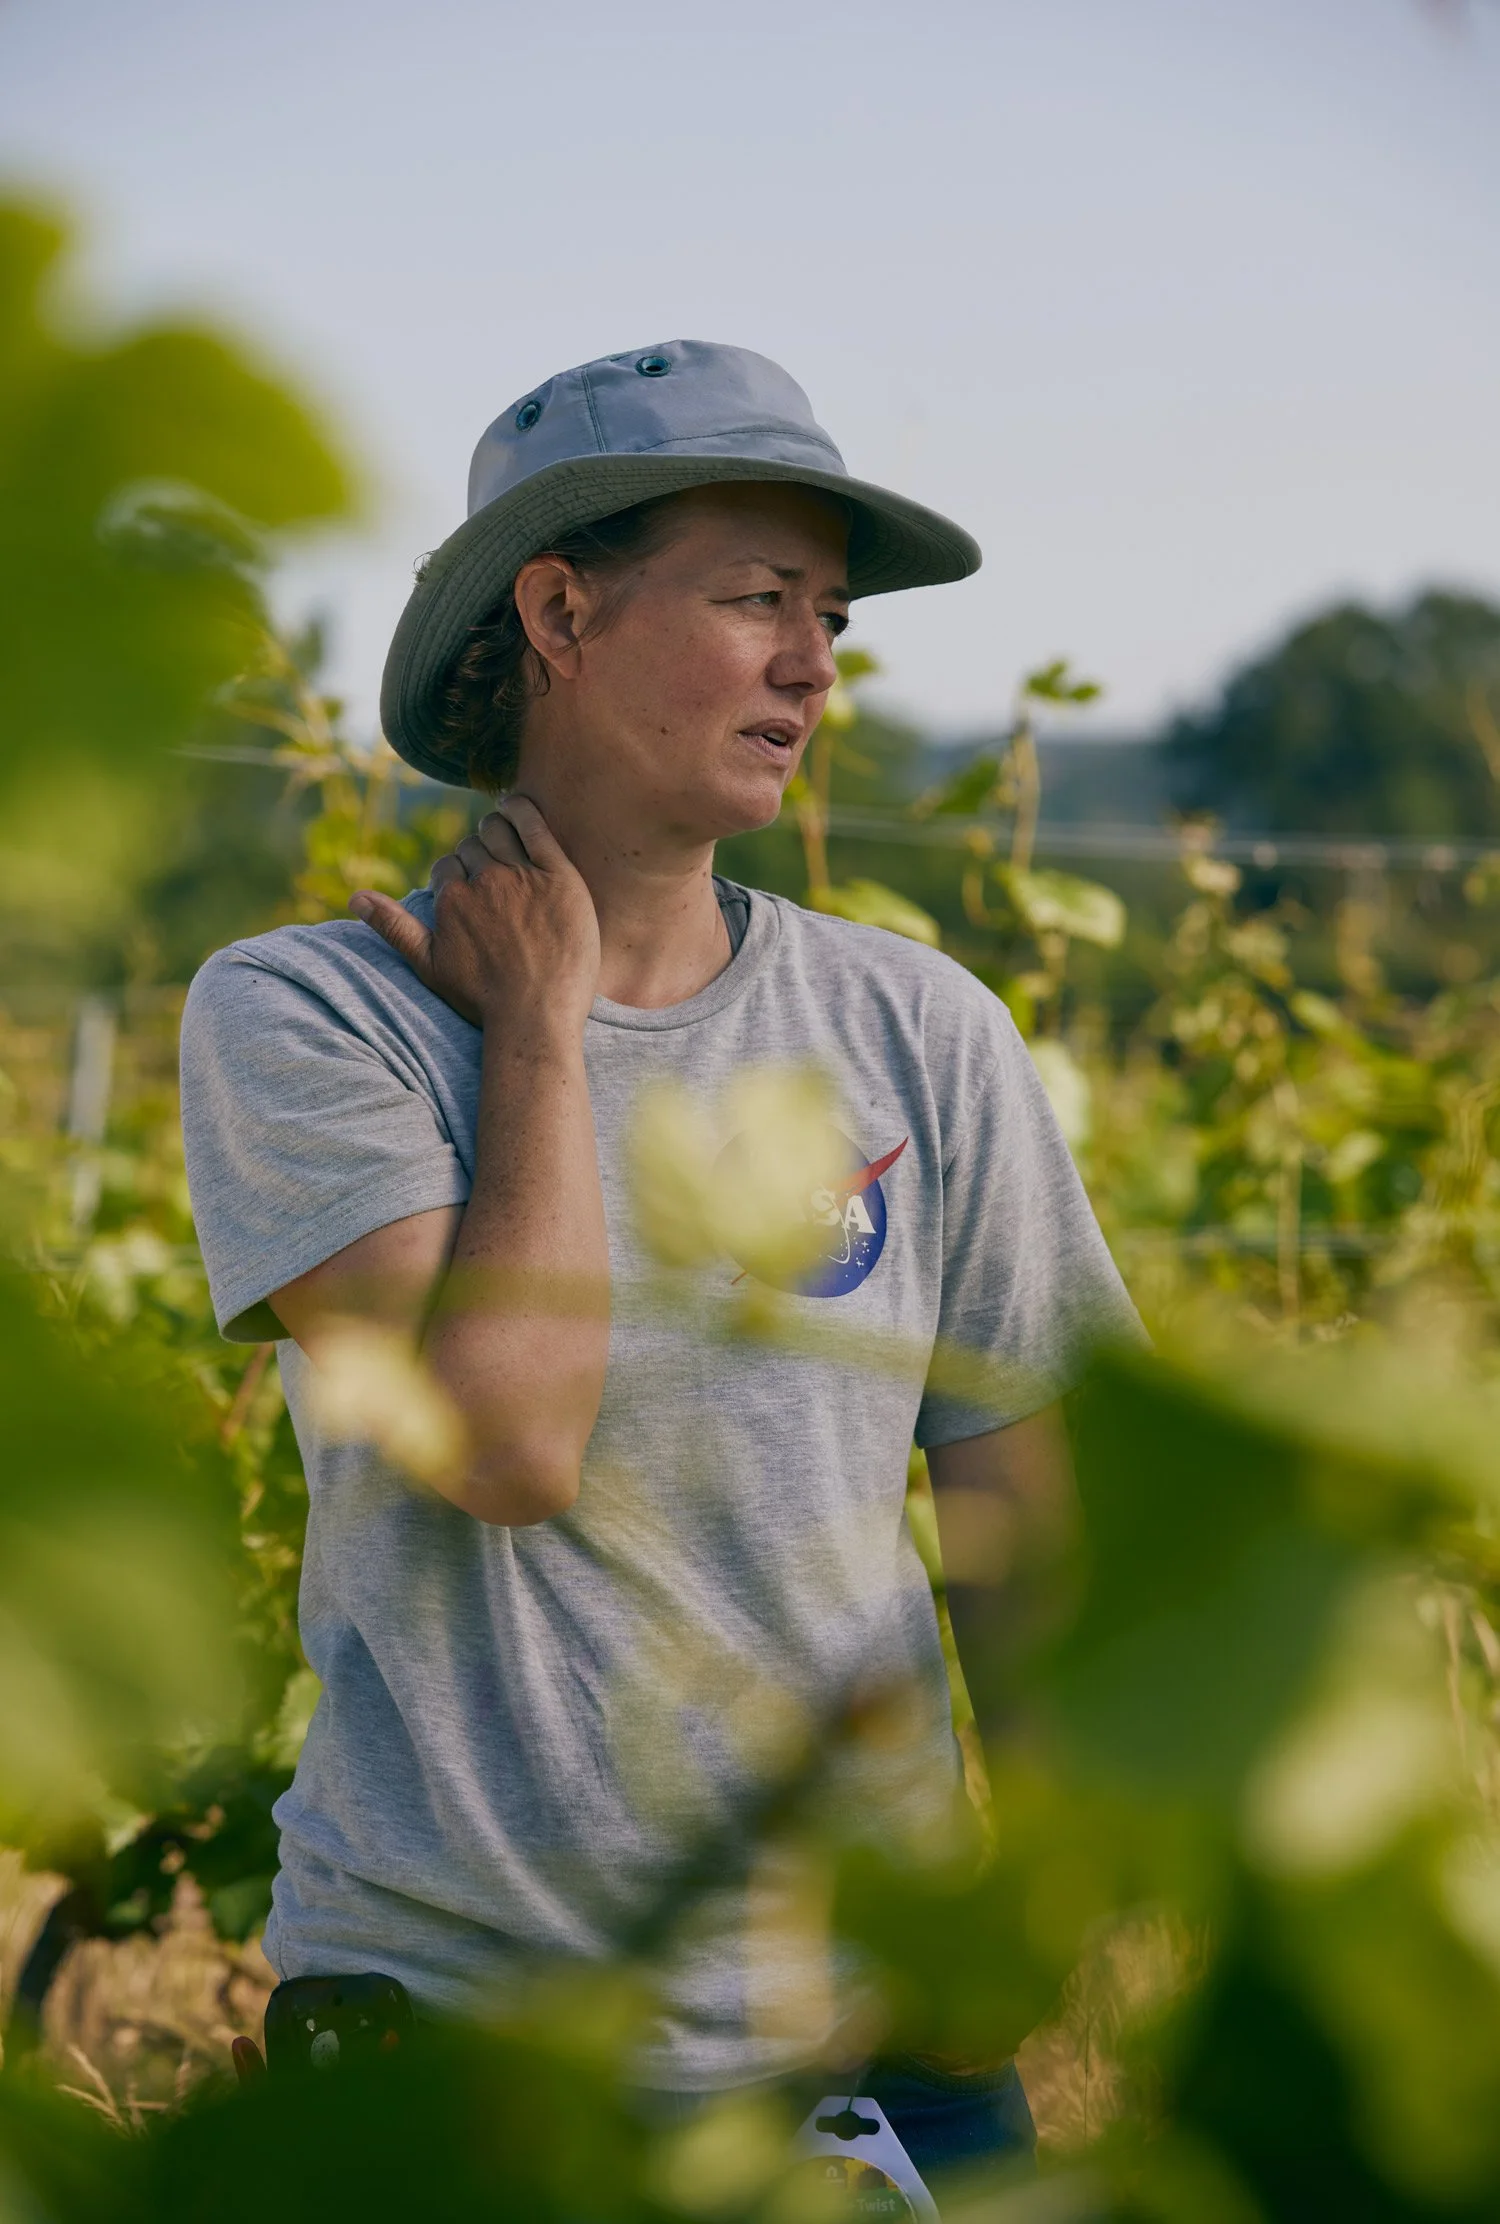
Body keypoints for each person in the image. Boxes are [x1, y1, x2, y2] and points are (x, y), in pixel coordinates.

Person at [180, 341, 1141, 2180]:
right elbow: (506, 1446)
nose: (813, 664)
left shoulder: (919, 1032)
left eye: (832, 619)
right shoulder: (312, 1019)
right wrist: (541, 1035)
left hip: (887, 2071)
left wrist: (1030, 1908)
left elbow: (1034, 1497)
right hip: (462, 2063)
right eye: (755, 601)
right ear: (558, 609)